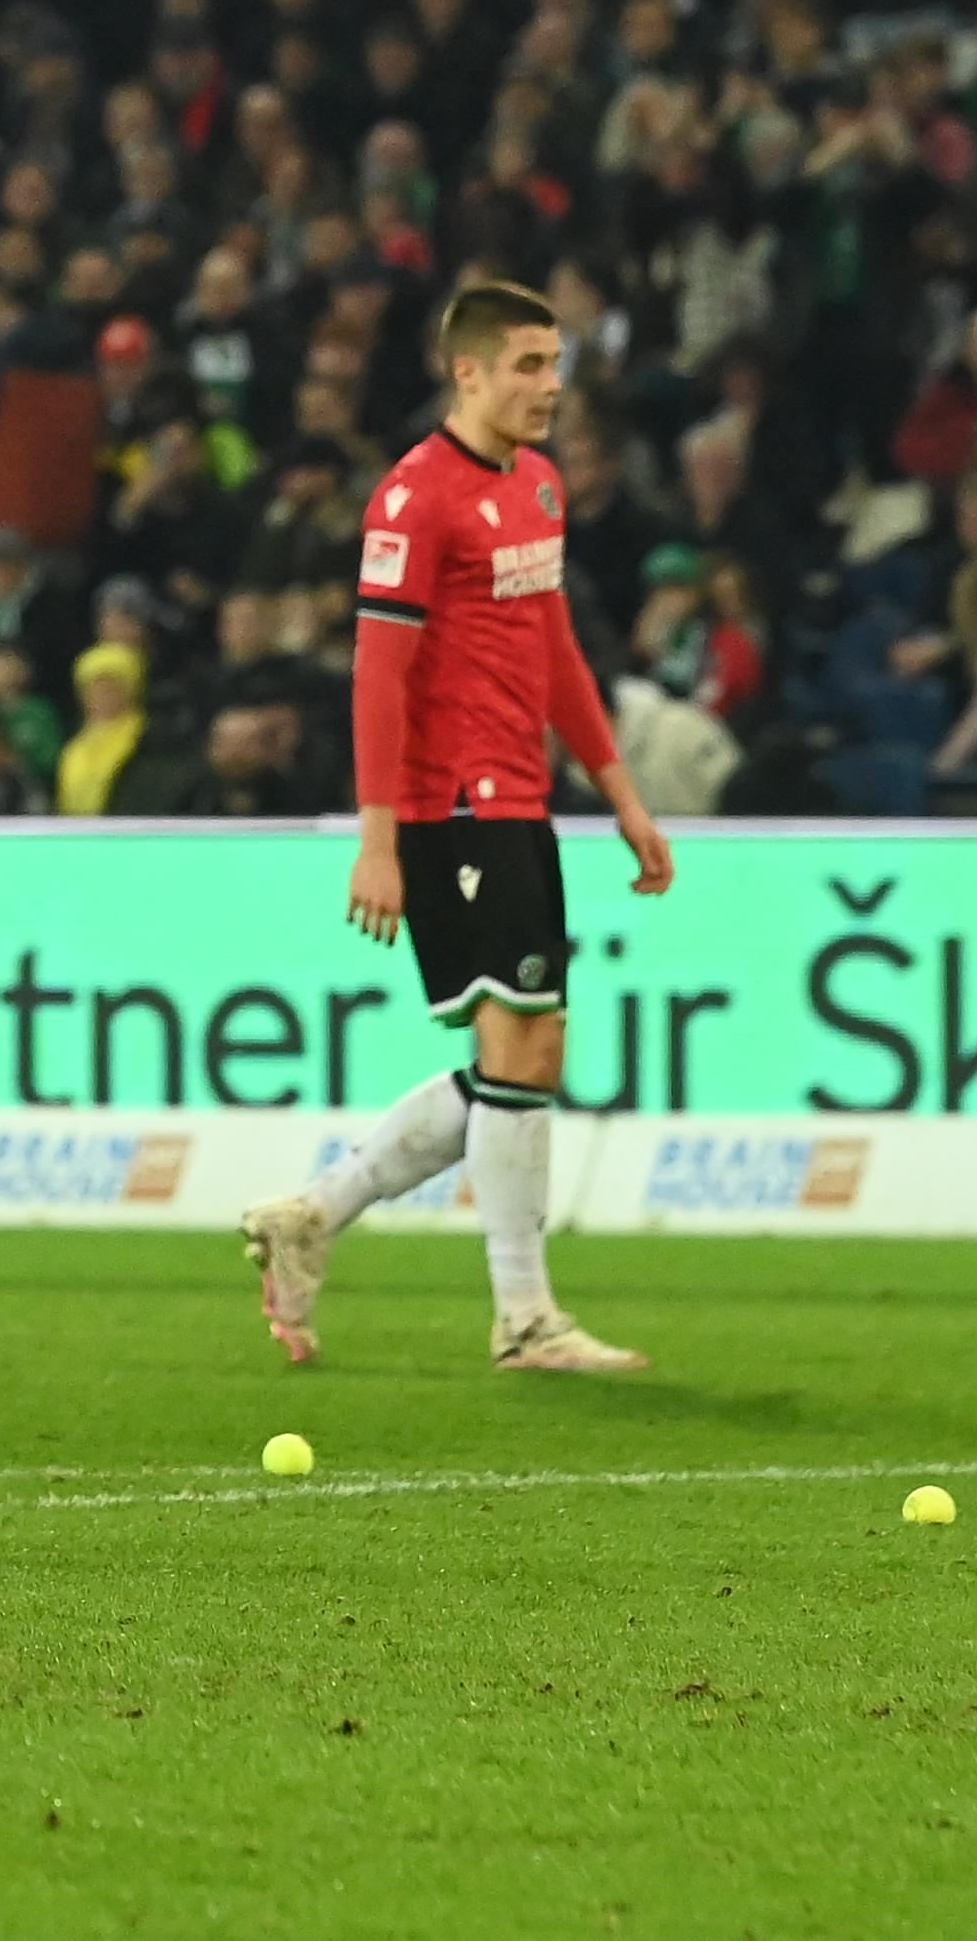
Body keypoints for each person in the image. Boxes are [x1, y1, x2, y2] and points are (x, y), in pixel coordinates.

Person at [240, 284, 676, 1373]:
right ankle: (524, 1317)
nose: (551, 384)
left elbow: (556, 653)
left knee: (524, 1049)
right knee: (525, 1042)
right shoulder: (413, 498)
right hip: (450, 807)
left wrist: (621, 792)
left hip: (521, 798)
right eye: (529, 364)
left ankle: (316, 1214)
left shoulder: (537, 484)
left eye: (556, 361)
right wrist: (378, 836)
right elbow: (377, 675)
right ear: (468, 371)